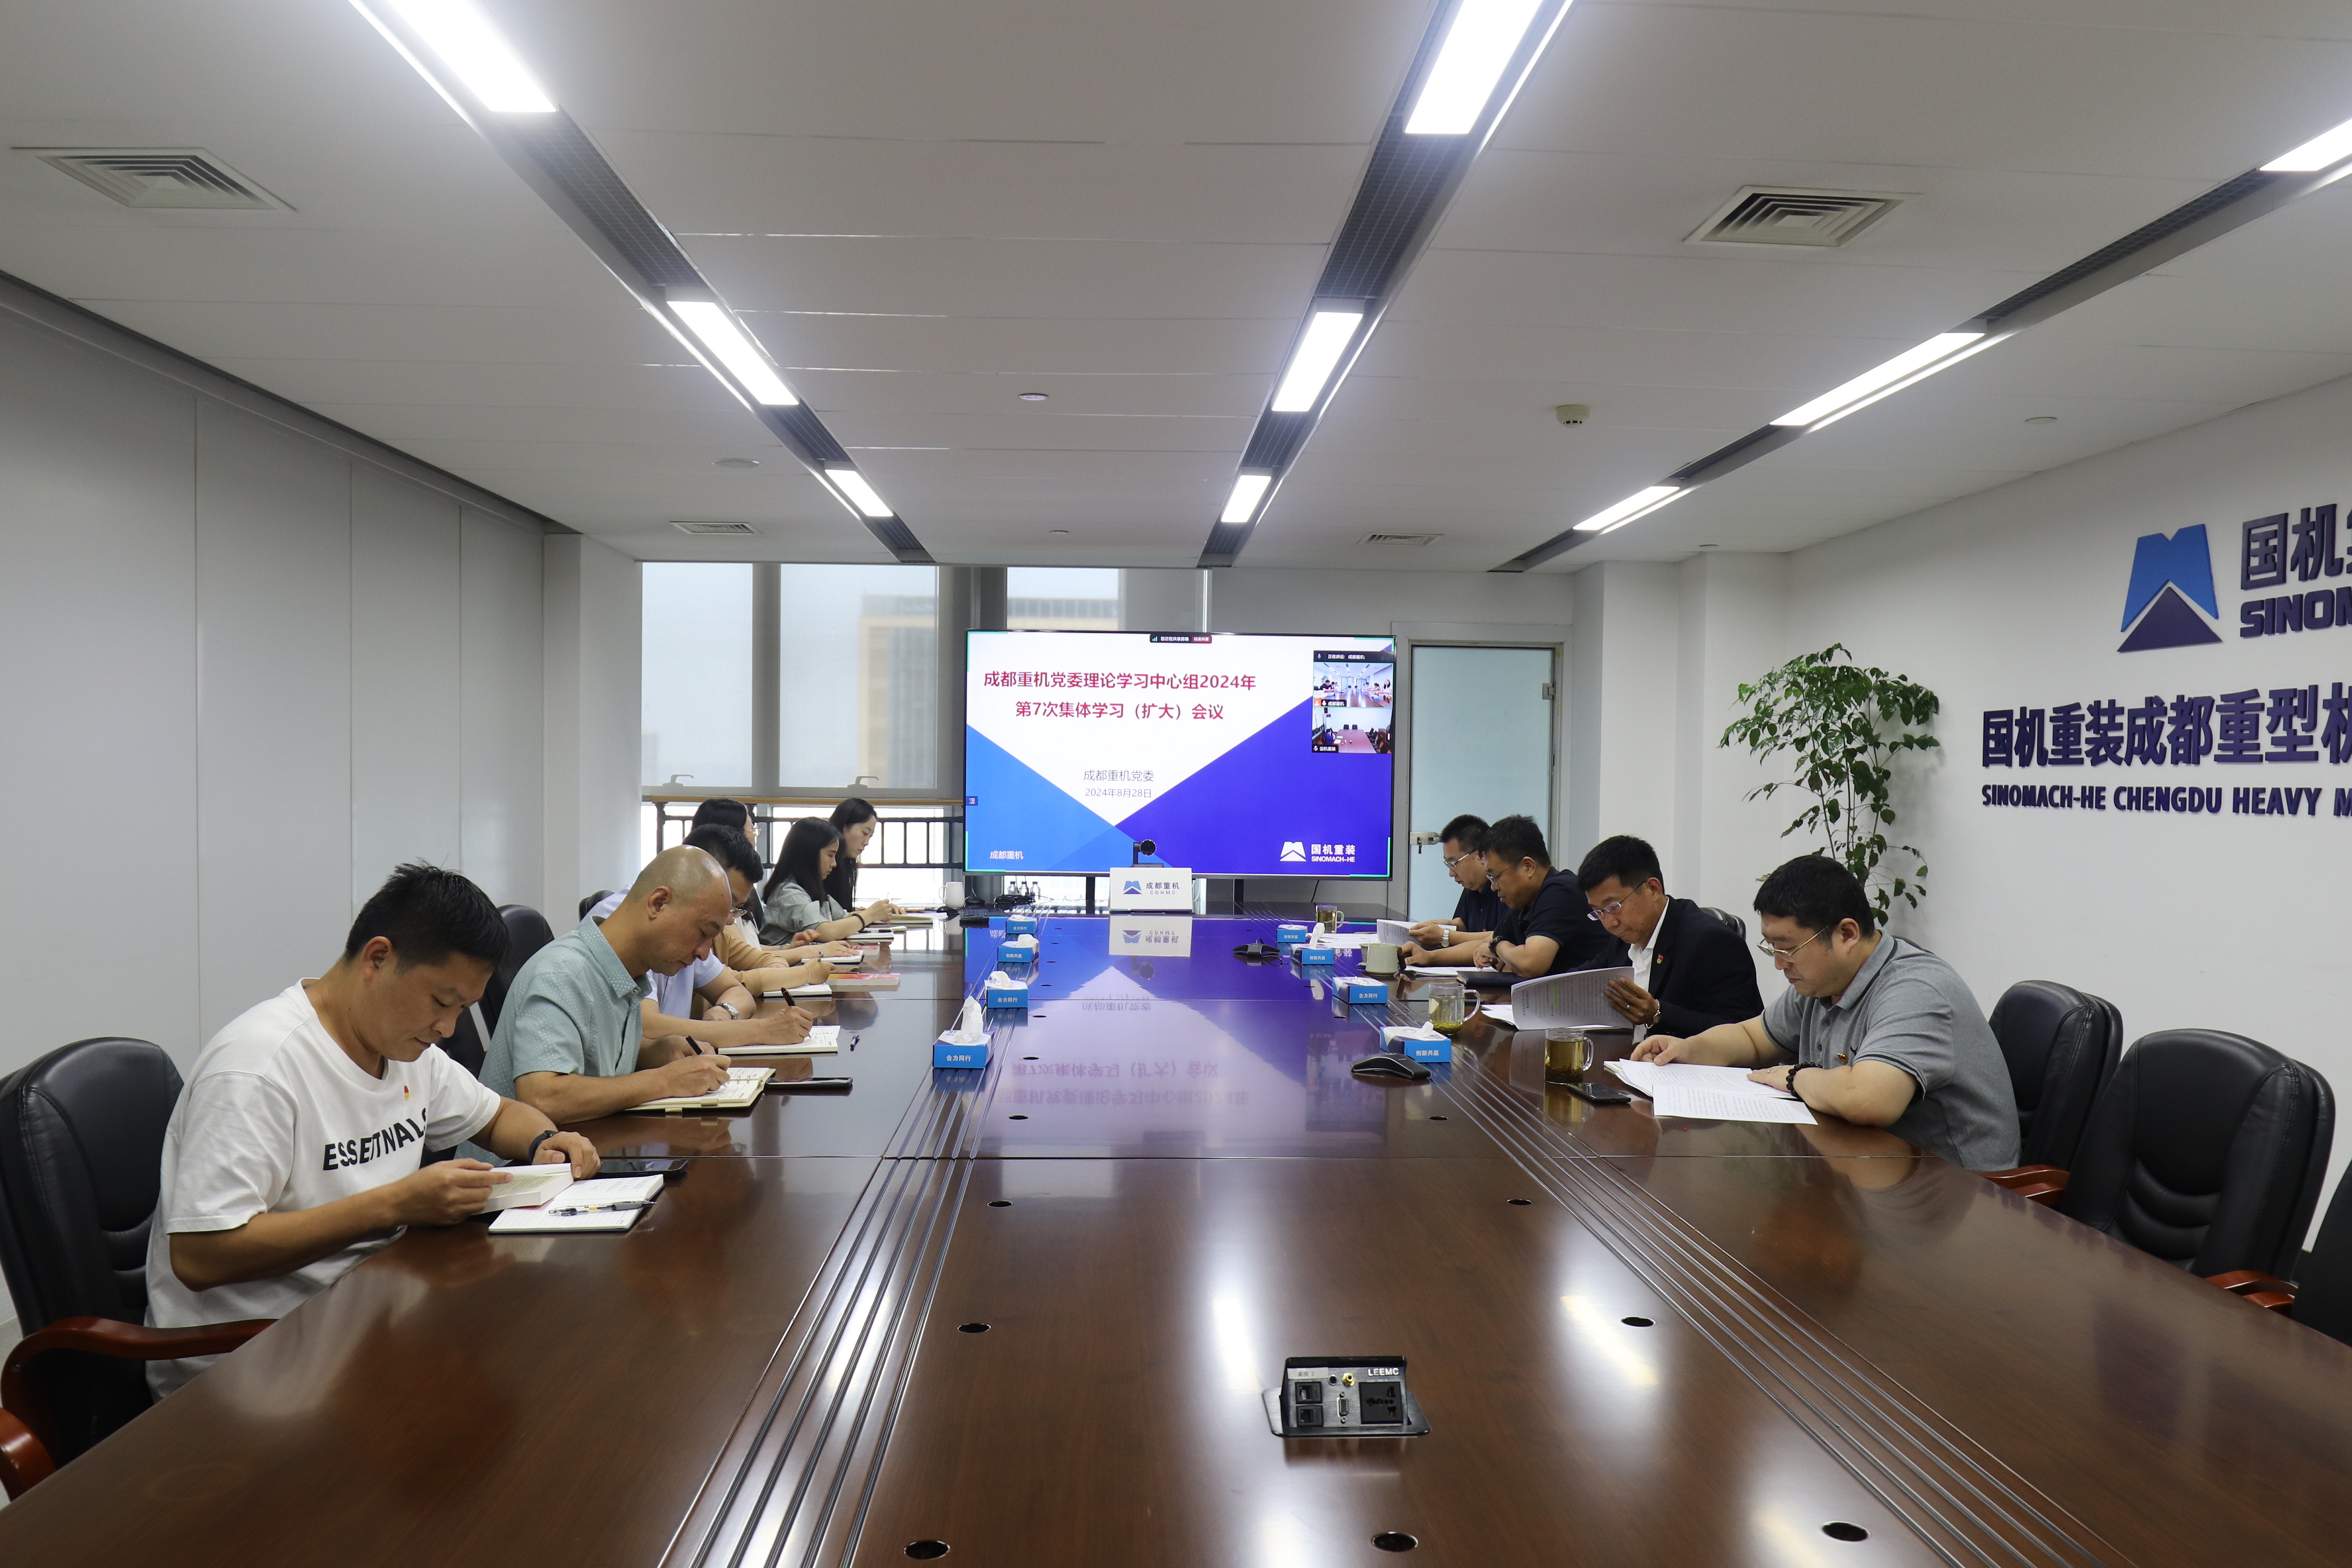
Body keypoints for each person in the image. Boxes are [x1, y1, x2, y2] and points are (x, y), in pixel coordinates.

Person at [146, 864, 600, 1396]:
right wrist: (396, 1204)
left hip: (363, 1320)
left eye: (463, 1009)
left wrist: (546, 1141)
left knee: (542, 1359)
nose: (448, 1028)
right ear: (377, 958)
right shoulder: (258, 1069)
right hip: (251, 1369)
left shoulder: (404, 1048)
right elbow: (202, 1254)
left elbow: (498, 1114)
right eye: (441, 1002)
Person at [1632, 854, 2020, 1171]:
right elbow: (1752, 1037)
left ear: (1847, 934)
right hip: (1873, 1168)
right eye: (1772, 948)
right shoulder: (1823, 982)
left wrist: (1795, 1076)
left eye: (1788, 948)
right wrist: (1689, 1049)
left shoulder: (1915, 991)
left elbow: (1868, 1099)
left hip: (1959, 1195)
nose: (1779, 964)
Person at [479, 845, 743, 1126]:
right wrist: (666, 1080)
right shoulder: (563, 973)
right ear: (658, 903)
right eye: (703, 933)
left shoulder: (624, 971)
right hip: (523, 1154)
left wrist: (659, 1052)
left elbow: (596, 1058)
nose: (704, 952)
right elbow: (543, 1097)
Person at [584, 831, 819, 1053]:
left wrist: (723, 1013)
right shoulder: (619, 923)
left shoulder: (689, 926)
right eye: (730, 904)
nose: (729, 919)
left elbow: (736, 991)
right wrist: (760, 1030)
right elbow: (644, 1026)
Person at [1576, 834, 1762, 1039]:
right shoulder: (1623, 942)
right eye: (1599, 912)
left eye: (1613, 907)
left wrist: (1657, 1014)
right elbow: (1578, 980)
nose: (1609, 923)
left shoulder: (1711, 942)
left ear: (1653, 889)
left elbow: (1742, 1031)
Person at [1470, 815, 1624, 978]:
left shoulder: (1560, 891)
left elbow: (1530, 964)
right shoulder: (1524, 901)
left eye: (1496, 877)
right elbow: (1494, 941)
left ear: (1528, 867)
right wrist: (1497, 949)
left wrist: (1498, 947)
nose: (1494, 887)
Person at [760, 818, 893, 943]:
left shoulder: (810, 888)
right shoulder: (789, 894)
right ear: (809, 854)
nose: (834, 864)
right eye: (830, 855)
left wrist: (878, 912)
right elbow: (825, 932)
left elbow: (843, 918)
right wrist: (870, 915)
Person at [1402, 814, 1503, 966]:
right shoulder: (1472, 885)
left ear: (1480, 856)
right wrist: (1444, 926)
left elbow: (1499, 937)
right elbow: (1465, 925)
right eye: (1448, 865)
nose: (1451, 873)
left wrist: (1444, 936)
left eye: (1454, 864)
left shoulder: (1504, 886)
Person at [822, 798, 901, 921]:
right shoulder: (823, 865)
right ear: (844, 826)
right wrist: (870, 914)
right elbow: (826, 922)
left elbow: (841, 914)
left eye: (870, 836)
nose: (867, 842)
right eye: (865, 833)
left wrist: (878, 912)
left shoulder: (845, 864)